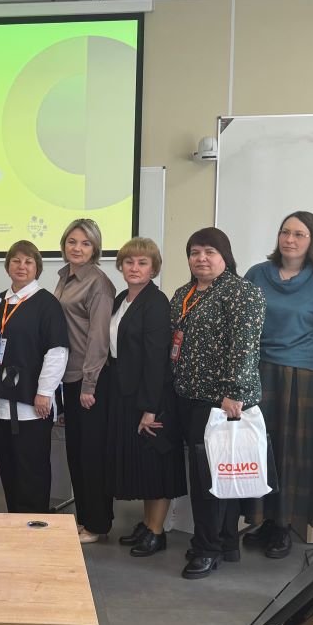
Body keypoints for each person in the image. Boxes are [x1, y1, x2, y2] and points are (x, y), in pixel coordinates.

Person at [242, 212, 313, 558]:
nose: (290, 239)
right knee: (261, 449)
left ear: (312, 240)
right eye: (285, 232)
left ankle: (283, 526)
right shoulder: (257, 275)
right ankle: (262, 519)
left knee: (292, 453)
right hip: (258, 374)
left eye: (299, 234)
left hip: (302, 378)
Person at [169, 227, 265, 579]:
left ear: (225, 256)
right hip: (188, 396)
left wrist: (233, 392)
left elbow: (244, 347)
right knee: (210, 475)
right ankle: (224, 542)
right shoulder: (184, 293)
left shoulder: (242, 292)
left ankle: (207, 549)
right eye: (195, 252)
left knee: (211, 480)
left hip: (221, 401)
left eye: (209, 252)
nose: (201, 258)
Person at [107, 238, 186, 558]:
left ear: (153, 268)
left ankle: (156, 531)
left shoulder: (156, 302)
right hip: (126, 393)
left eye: (142, 263)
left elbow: (156, 359)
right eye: (129, 262)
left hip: (152, 396)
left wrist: (150, 408)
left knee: (156, 465)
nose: (134, 268)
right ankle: (147, 524)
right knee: (143, 465)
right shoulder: (122, 298)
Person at [0, 240, 69, 514]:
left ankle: (35, 526)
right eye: (16, 260)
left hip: (31, 405)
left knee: (31, 471)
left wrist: (44, 392)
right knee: (8, 470)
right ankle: (15, 526)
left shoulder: (47, 304)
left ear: (37, 268)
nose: (21, 266)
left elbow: (57, 352)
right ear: (7, 265)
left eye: (28, 262)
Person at [54, 219, 116, 543]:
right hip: (69, 376)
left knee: (91, 456)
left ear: (95, 248)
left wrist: (89, 384)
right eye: (72, 241)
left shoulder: (98, 283)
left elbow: (98, 338)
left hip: (89, 378)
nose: (77, 248)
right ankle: (85, 518)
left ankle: (97, 524)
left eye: (85, 243)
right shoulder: (64, 276)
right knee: (76, 454)